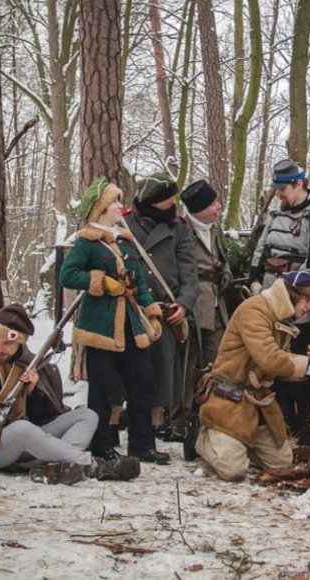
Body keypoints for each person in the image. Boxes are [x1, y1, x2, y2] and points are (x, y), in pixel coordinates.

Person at [0, 303, 140, 483]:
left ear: (19, 342)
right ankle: (91, 465)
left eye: (8, 343)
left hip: (25, 436)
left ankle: (59, 468)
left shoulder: (25, 364)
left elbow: (39, 417)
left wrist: (32, 391)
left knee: (88, 415)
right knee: (22, 429)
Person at [60, 177, 170, 465]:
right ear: (102, 208)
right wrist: (101, 282)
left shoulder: (126, 239)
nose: (121, 205)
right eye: (115, 202)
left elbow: (140, 285)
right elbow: (68, 275)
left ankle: (142, 445)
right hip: (102, 326)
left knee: (143, 383)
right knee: (103, 390)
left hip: (132, 325)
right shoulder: (86, 241)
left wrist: (152, 313)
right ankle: (101, 447)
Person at [195, 269, 310, 481]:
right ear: (292, 295)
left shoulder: (279, 316)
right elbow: (269, 358)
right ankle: (201, 439)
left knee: (282, 464)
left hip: (258, 404)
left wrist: (308, 363)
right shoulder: (254, 310)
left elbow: (278, 366)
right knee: (234, 472)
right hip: (229, 402)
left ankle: (241, 444)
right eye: (307, 300)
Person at [248, 159, 310, 445]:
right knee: (275, 363)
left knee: (304, 362)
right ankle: (284, 421)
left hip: (301, 307)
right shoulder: (273, 215)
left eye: (283, 189)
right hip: (269, 302)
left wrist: (299, 295)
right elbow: (260, 250)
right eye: (277, 188)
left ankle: (303, 422)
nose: (278, 194)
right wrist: (255, 281)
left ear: (299, 184)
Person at [123, 172, 198, 445]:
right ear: (153, 201)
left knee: (161, 373)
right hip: (131, 307)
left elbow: (189, 273)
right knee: (127, 372)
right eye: (168, 198)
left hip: (164, 311)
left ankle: (155, 426)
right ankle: (124, 423)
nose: (174, 202)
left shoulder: (179, 227)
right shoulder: (124, 222)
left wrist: (184, 303)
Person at [179, 179, 231, 460]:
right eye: (212, 204)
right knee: (191, 365)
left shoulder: (215, 229)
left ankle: (213, 415)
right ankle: (187, 419)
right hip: (194, 305)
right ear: (198, 209)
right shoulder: (182, 230)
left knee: (218, 360)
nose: (218, 207)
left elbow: (221, 258)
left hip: (216, 303)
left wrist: (226, 275)